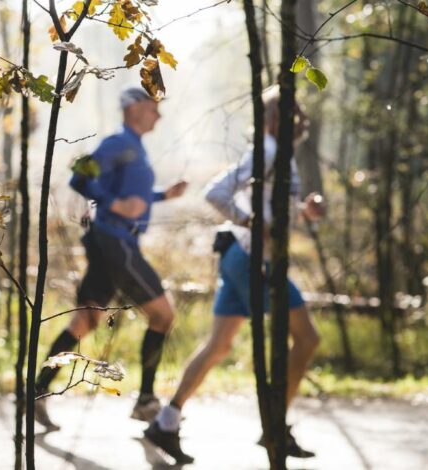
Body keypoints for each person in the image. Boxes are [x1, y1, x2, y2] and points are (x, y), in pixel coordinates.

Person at [144, 91, 323, 464]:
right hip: (251, 259)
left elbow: (270, 209)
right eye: (296, 114)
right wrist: (249, 224)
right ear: (278, 118)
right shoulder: (268, 153)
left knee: (219, 346)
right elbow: (216, 192)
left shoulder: (278, 154)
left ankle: (166, 421)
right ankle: (275, 424)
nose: (303, 120)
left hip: (240, 256)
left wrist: (302, 212)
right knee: (306, 338)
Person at [34, 87, 188, 431]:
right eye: (153, 109)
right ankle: (146, 400)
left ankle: (36, 393)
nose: (158, 116)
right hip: (117, 242)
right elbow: (79, 176)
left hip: (108, 243)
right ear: (134, 108)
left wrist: (163, 195)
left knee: (84, 322)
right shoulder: (118, 143)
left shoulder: (134, 148)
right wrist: (113, 205)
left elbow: (131, 195)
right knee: (163, 316)